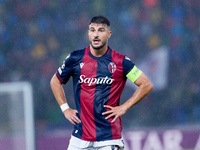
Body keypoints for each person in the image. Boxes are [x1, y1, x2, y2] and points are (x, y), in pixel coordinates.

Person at [50, 15, 153, 150]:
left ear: (109, 34)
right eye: (92, 30)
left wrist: (124, 107)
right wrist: (65, 109)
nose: (96, 35)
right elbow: (55, 81)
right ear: (88, 33)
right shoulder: (75, 58)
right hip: (79, 138)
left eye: (101, 30)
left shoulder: (121, 62)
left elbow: (146, 85)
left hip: (108, 138)